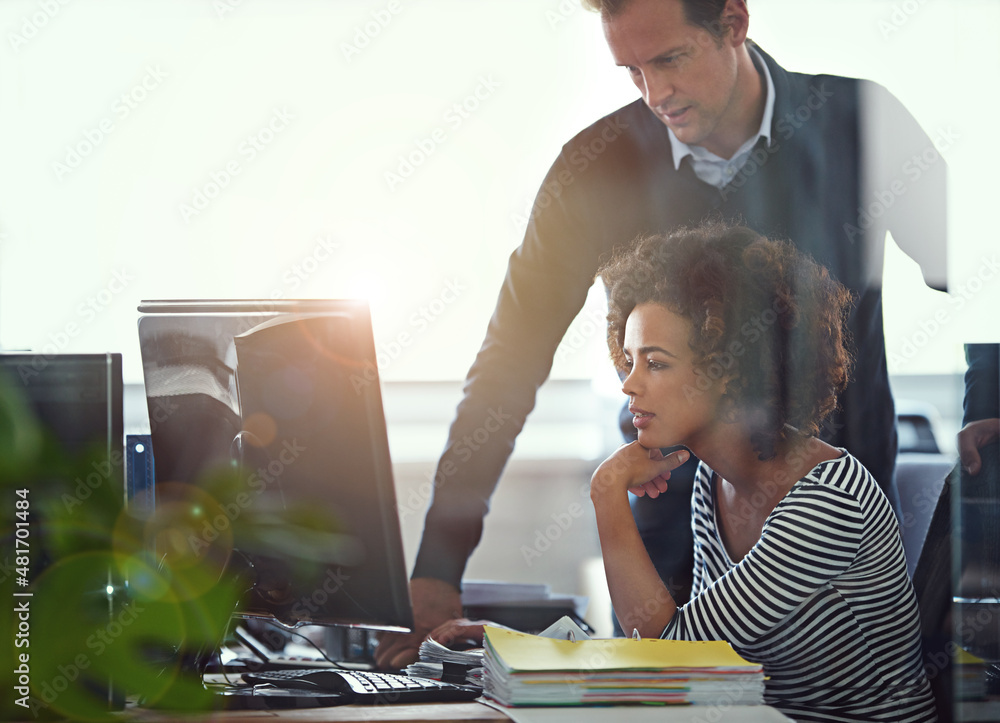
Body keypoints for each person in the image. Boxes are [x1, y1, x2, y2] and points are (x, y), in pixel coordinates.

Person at [374, 0, 946, 668]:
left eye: (670, 59)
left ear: (733, 22)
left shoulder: (862, 126)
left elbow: (968, 259)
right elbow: (510, 363)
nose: (654, 94)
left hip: (826, 529)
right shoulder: (594, 168)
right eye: (631, 70)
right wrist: (438, 566)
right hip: (673, 527)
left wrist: (987, 398)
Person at [592, 221, 937, 721]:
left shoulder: (828, 501)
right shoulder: (714, 482)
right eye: (629, 361)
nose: (629, 385)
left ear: (733, 369)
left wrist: (607, 495)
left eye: (657, 364)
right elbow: (709, 673)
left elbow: (675, 658)